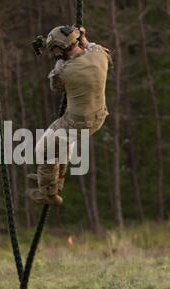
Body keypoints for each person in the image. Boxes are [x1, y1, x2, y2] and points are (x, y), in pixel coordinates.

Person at [26, 25, 113, 205]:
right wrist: (82, 37)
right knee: (60, 143)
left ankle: (49, 193)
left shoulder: (64, 71)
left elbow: (56, 87)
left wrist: (59, 60)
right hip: (99, 115)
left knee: (43, 150)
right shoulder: (100, 54)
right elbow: (90, 46)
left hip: (77, 122)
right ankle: (52, 176)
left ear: (60, 51)